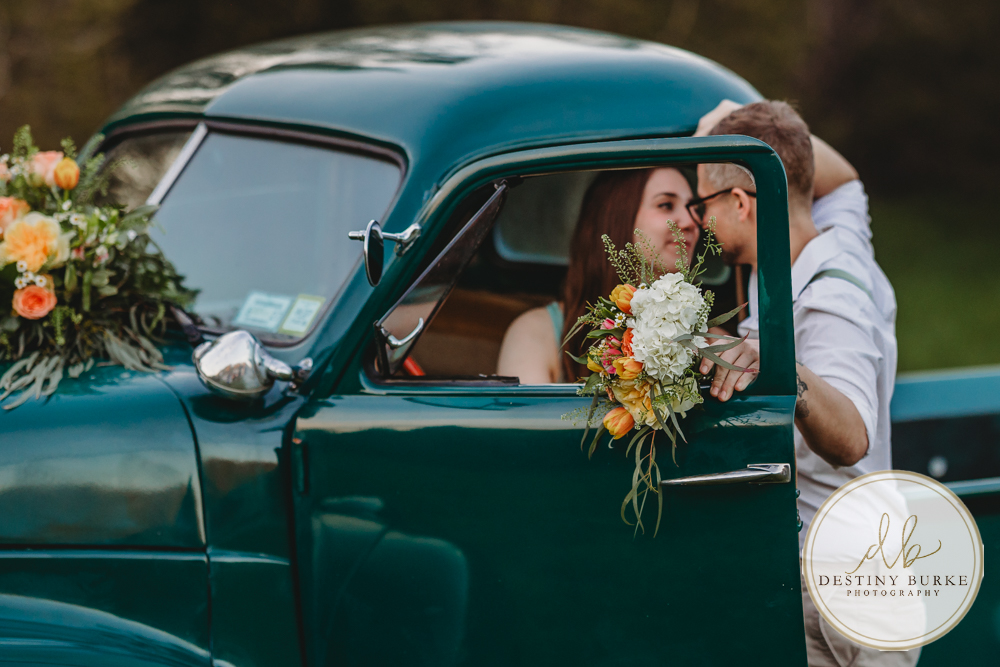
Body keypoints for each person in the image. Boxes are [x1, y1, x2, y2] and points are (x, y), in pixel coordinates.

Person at [692, 100, 914, 666]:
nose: (697, 223)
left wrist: (783, 366)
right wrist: (739, 124)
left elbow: (853, 437)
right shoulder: (836, 232)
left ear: (740, 204)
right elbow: (839, 177)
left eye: (702, 204)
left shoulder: (826, 300)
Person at [497, 167, 700, 383]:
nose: (691, 222)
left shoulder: (708, 336)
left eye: (695, 209)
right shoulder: (536, 333)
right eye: (666, 205)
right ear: (616, 216)